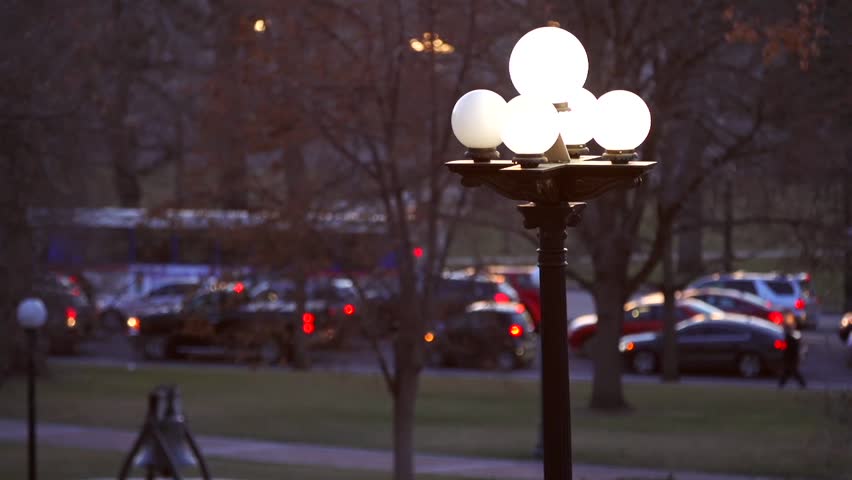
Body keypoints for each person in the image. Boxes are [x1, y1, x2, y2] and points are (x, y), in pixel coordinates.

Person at [778, 311, 806, 389]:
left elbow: (793, 343)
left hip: (792, 354)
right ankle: (781, 385)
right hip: (790, 354)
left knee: (791, 370)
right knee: (789, 371)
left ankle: (782, 385)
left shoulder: (792, 334)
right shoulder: (790, 333)